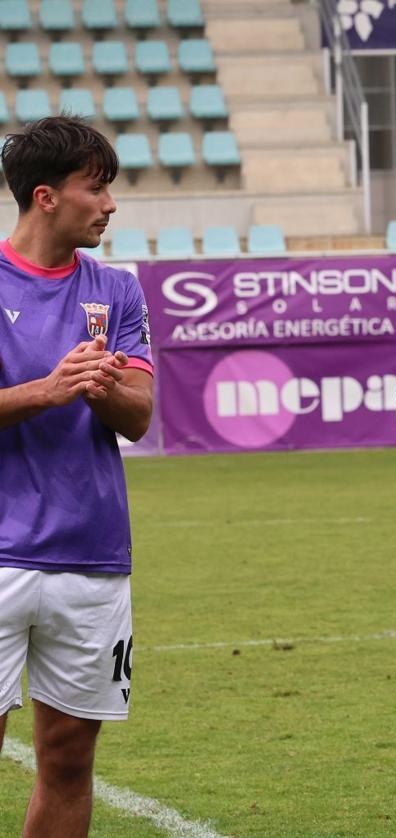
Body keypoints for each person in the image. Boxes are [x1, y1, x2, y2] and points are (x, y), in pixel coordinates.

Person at [0, 116, 154, 835]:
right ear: (46, 197)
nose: (111, 204)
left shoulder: (116, 291)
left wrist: (103, 389)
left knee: (67, 760)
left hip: (92, 559)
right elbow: (41, 396)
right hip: (0, 559)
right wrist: (45, 391)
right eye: (97, 188)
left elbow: (140, 416)